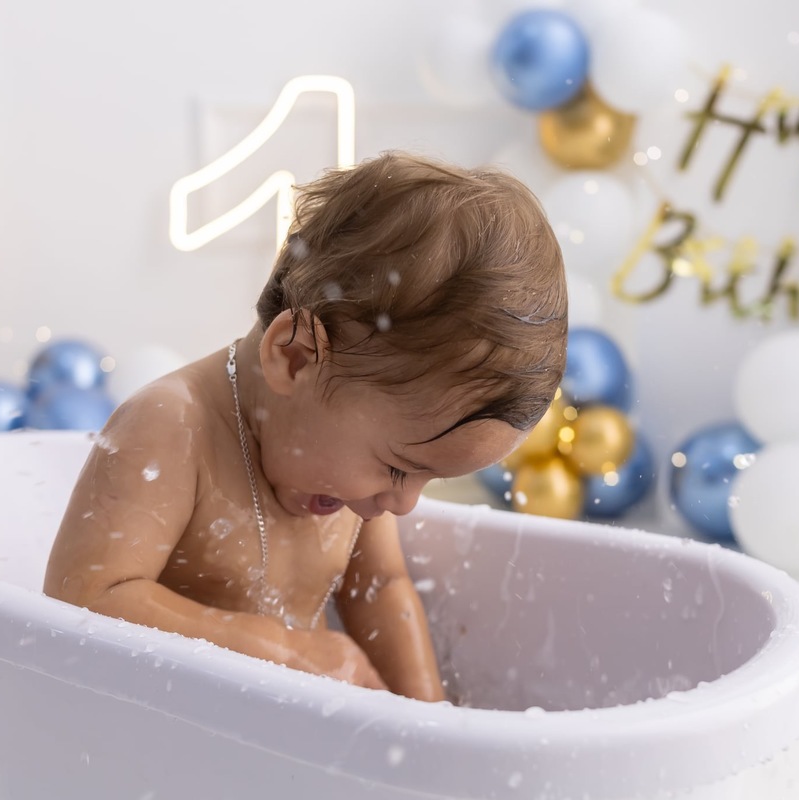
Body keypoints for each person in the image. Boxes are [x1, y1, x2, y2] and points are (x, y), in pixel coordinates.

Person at [43, 151, 567, 702]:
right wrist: (275, 647)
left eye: (425, 480)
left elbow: (379, 589)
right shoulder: (174, 427)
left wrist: (430, 720)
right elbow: (82, 599)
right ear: (293, 359)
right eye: (399, 467)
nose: (404, 503)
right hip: (162, 737)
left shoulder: (356, 483)